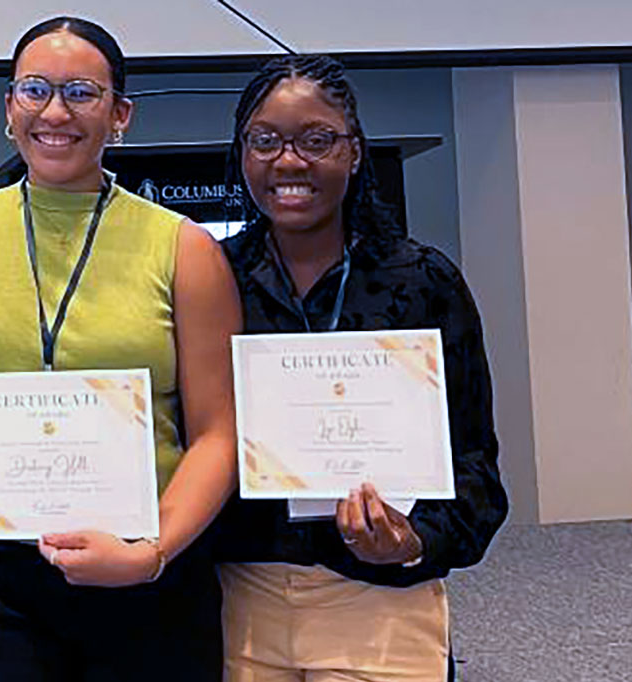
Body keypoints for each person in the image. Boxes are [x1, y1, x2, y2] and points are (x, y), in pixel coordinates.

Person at [0, 16, 243, 681]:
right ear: (9, 108)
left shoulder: (182, 248)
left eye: (81, 93)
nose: (54, 112)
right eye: (34, 90)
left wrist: (151, 551)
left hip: (144, 562)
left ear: (119, 113)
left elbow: (219, 431)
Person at [212, 55, 508, 682]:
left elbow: (476, 469)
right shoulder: (210, 280)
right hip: (236, 598)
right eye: (265, 140)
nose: (289, 161)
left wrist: (410, 541)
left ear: (354, 152)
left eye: (317, 140)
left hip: (379, 604)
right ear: (242, 153)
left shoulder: (422, 281)